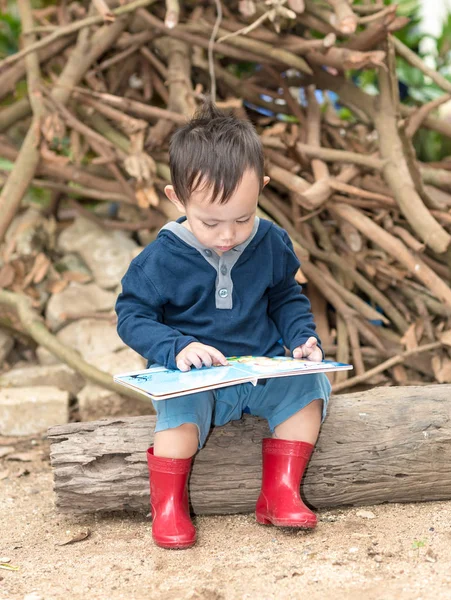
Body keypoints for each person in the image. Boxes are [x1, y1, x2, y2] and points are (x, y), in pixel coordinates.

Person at [116, 101, 331, 549]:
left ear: (262, 191)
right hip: (195, 378)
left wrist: (301, 338)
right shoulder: (160, 259)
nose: (227, 235)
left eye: (242, 217)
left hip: (260, 368)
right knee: (178, 422)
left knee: (308, 392)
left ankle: (280, 492)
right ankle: (169, 506)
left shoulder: (271, 242)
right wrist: (175, 346)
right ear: (177, 198)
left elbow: (285, 296)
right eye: (210, 221)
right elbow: (131, 316)